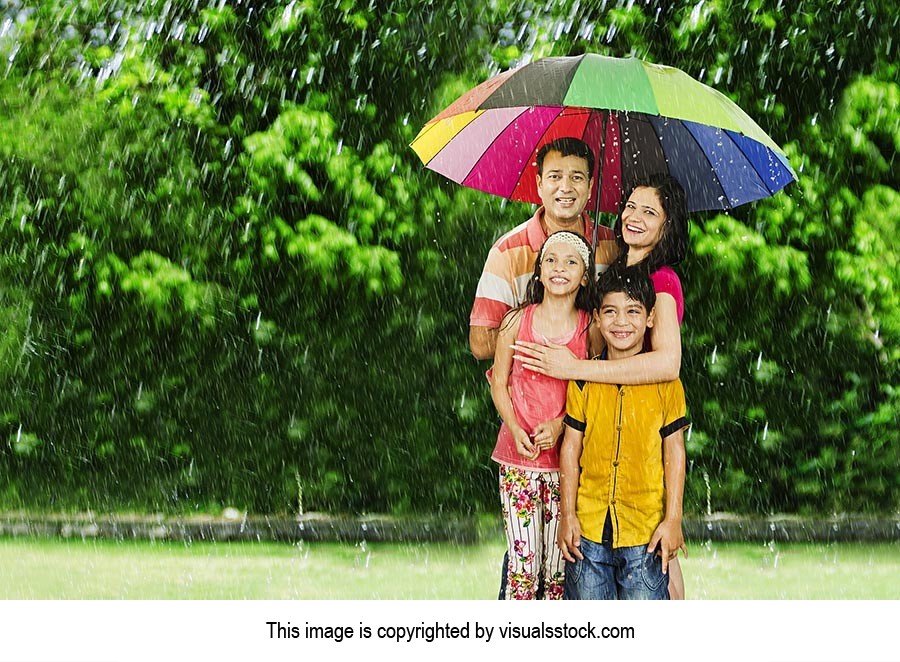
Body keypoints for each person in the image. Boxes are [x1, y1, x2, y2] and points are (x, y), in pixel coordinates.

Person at [513, 173, 690, 598]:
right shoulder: (613, 271)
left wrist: (575, 368)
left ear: (668, 226)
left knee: (660, 572)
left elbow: (668, 363)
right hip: (598, 430)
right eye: (631, 206)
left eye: (651, 212)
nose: (634, 217)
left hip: (645, 424)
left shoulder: (661, 281)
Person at [557, 264, 689, 599]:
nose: (621, 322)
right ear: (598, 319)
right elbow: (571, 449)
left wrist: (673, 520)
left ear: (649, 319)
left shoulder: (667, 385)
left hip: (644, 535)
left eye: (633, 312)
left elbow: (675, 451)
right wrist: (568, 515)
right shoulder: (584, 378)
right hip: (587, 533)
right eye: (611, 312)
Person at [489, 230, 599, 599]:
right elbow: (498, 383)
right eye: (551, 260)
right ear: (538, 272)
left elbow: (592, 388)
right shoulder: (515, 322)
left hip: (565, 467)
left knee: (556, 570)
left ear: (585, 276)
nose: (559, 268)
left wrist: (560, 423)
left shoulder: (590, 328)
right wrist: (513, 424)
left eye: (571, 262)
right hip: (518, 461)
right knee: (523, 568)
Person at [469, 137, 617, 360]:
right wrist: (551, 327)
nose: (565, 187)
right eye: (555, 177)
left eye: (577, 178)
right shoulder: (508, 251)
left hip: (597, 388)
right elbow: (481, 344)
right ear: (539, 184)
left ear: (590, 186)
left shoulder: (612, 244)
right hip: (528, 388)